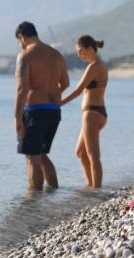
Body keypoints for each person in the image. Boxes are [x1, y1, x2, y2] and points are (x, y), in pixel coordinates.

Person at [14, 21, 70, 190]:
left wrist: (16, 118)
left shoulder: (25, 56)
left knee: (32, 159)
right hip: (53, 112)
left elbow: (22, 89)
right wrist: (51, 93)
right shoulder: (57, 55)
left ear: (22, 36)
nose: (20, 45)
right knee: (42, 156)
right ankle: (53, 196)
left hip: (34, 112)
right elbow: (66, 83)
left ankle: (34, 206)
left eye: (19, 41)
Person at [60, 35, 108, 188]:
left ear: (89, 48)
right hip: (96, 112)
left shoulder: (94, 66)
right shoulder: (100, 64)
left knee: (94, 156)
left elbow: (78, 90)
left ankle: (97, 191)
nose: (79, 55)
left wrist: (58, 103)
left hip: (92, 114)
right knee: (81, 152)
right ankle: (91, 186)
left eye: (81, 51)